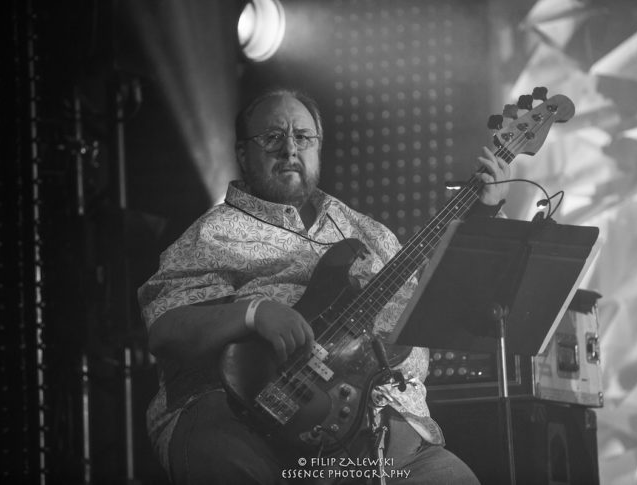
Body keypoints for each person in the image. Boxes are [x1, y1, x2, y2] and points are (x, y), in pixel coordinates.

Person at [138, 87, 511, 484]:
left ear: (318, 148)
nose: (289, 149)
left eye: (303, 137)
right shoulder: (213, 235)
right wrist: (252, 313)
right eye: (272, 137)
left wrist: (486, 214)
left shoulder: (369, 233)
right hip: (254, 421)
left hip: (385, 436)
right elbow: (166, 328)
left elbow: (446, 307)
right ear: (243, 154)